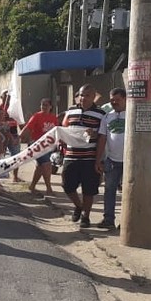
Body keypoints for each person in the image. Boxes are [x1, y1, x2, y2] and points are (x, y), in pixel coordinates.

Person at [61, 84, 105, 229]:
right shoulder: (71, 111)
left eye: (87, 95)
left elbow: (103, 136)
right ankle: (78, 206)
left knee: (89, 189)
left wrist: (94, 134)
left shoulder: (100, 114)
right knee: (67, 186)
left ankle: (86, 217)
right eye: (81, 95)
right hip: (71, 155)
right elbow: (64, 127)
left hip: (89, 157)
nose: (83, 98)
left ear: (93, 97)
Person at [95, 88, 126, 230]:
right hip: (112, 160)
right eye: (112, 100)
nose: (114, 102)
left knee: (128, 192)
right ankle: (108, 219)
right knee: (109, 190)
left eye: (117, 99)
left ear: (125, 99)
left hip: (129, 162)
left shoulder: (133, 115)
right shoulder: (107, 117)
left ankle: (126, 221)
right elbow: (102, 138)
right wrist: (99, 159)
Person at [21, 98, 58, 196]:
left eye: (46, 105)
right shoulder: (37, 116)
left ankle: (32, 186)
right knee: (46, 165)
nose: (44, 107)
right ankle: (49, 188)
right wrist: (20, 136)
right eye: (42, 105)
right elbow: (28, 128)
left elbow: (57, 131)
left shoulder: (53, 118)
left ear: (50, 107)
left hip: (48, 146)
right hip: (37, 145)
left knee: (40, 167)